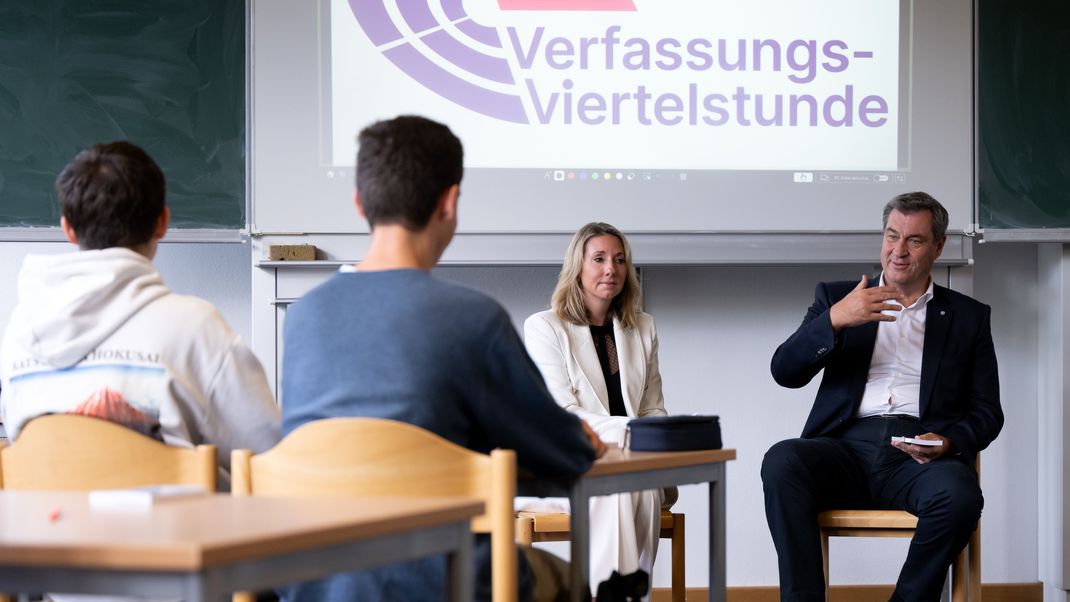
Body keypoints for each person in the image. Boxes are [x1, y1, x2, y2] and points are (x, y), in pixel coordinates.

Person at [280, 115, 605, 602]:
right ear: (450, 202)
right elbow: (562, 454)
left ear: (359, 202)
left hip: (313, 580)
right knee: (567, 582)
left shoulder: (303, 318)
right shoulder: (471, 318)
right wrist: (577, 439)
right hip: (440, 579)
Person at [762, 192, 1003, 601]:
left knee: (960, 496)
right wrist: (835, 321)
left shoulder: (968, 316)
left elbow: (987, 411)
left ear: (938, 246)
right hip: (845, 449)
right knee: (782, 461)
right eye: (892, 236)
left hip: (917, 457)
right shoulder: (840, 298)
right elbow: (785, 371)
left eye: (915, 240)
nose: (899, 251)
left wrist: (948, 442)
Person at [0, 141, 280, 488]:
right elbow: (271, 458)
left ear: (67, 228)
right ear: (162, 222)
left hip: (49, 535)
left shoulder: (19, 333)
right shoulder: (196, 328)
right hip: (177, 537)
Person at [523, 222, 670, 594]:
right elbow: (562, 414)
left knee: (636, 483)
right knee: (622, 485)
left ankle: (619, 594)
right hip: (571, 463)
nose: (611, 269)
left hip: (636, 464)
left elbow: (653, 409)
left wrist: (660, 438)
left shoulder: (643, 327)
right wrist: (629, 434)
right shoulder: (545, 327)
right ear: (578, 267)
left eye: (620, 260)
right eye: (600, 259)